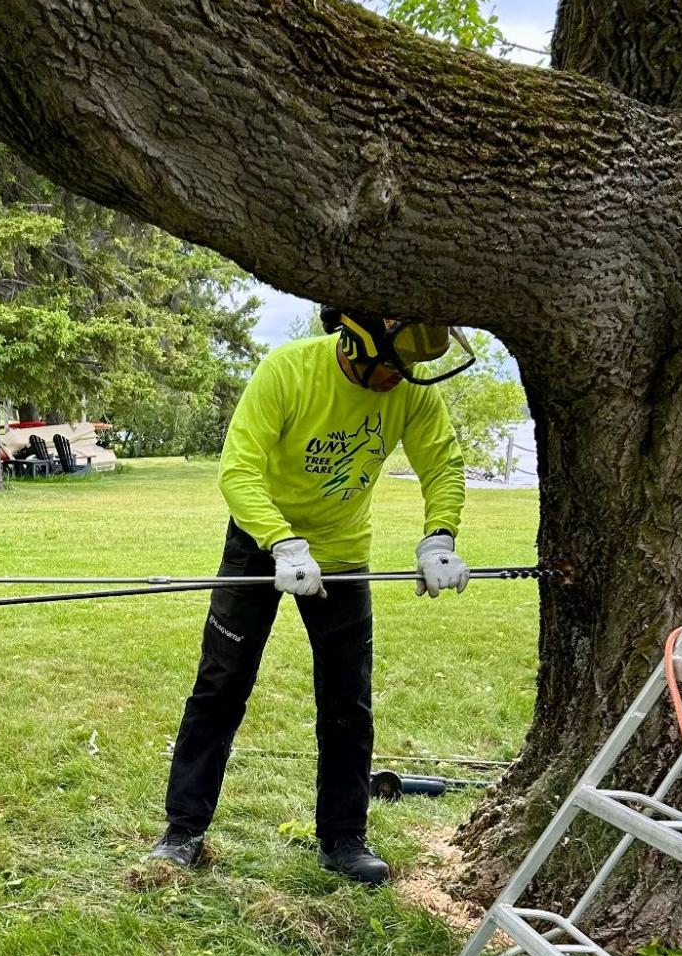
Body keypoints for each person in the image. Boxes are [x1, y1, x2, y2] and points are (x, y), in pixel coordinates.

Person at [152, 310, 473, 885]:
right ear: (356, 345)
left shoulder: (409, 388)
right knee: (220, 687)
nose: (400, 379)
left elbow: (441, 461)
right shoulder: (288, 370)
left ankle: (344, 837)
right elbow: (239, 469)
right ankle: (184, 831)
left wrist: (439, 535)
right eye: (393, 367)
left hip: (344, 554)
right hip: (259, 543)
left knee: (348, 700)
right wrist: (282, 542)